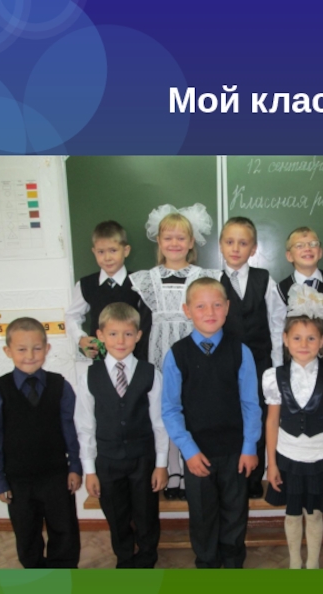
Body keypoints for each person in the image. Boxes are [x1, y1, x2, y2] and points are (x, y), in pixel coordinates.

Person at [160, 277, 262, 568]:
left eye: (217, 305)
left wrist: (249, 447)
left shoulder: (240, 351)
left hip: (235, 452)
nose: (210, 312)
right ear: (187, 310)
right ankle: (206, 565)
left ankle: (232, 564)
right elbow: (170, 409)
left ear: (227, 308)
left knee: (235, 514)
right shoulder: (177, 354)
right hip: (197, 454)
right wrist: (188, 450)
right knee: (203, 516)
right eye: (201, 306)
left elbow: (251, 404)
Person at [129, 204, 221, 499]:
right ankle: (172, 470)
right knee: (165, 410)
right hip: (159, 354)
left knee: (194, 409)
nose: (174, 243)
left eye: (181, 238)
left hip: (194, 352)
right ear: (158, 241)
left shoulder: (206, 276)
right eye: (168, 238)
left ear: (192, 242)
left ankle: (192, 464)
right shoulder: (146, 280)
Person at [0, 317, 81, 568]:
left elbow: (71, 429)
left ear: (47, 348)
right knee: (26, 534)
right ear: (8, 351)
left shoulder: (60, 386)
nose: (30, 356)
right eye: (21, 349)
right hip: (18, 481)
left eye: (37, 348)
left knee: (65, 531)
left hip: (56, 476)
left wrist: (75, 467)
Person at [74, 302, 169, 568]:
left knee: (146, 514)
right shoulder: (89, 376)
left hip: (142, 460)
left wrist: (161, 465)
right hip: (107, 461)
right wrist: (89, 470)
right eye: (113, 334)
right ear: (100, 335)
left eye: (128, 334)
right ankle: (124, 559)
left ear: (138, 336)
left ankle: (147, 558)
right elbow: (85, 425)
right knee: (116, 516)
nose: (120, 341)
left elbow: (159, 423)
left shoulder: (151, 374)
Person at [263, 283, 323, 569]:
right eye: (297, 338)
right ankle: (294, 563)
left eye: (311, 338)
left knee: (314, 513)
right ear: (285, 340)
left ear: (322, 341)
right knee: (291, 514)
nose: (304, 344)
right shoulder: (274, 377)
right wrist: (271, 463)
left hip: (321, 457)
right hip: (288, 457)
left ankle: (312, 565)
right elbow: (272, 420)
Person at [219, 216, 287, 499]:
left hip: (259, 363)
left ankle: (252, 477)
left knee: (256, 415)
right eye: (230, 242)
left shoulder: (264, 280)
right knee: (229, 417)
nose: (236, 248)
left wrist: (277, 366)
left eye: (243, 243)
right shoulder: (211, 281)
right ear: (221, 246)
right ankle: (231, 475)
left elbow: (277, 323)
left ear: (254, 248)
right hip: (224, 365)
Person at [65, 220, 145, 361]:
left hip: (135, 358)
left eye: (113, 250)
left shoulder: (140, 282)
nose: (107, 258)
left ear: (126, 251)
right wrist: (80, 338)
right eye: (101, 252)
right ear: (94, 252)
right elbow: (72, 316)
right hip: (100, 359)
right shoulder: (86, 284)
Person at [272, 227, 323, 365]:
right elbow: (277, 331)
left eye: (313, 244)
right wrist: (278, 366)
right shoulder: (280, 289)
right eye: (299, 245)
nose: (307, 249)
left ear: (320, 252)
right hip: (293, 362)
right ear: (289, 256)